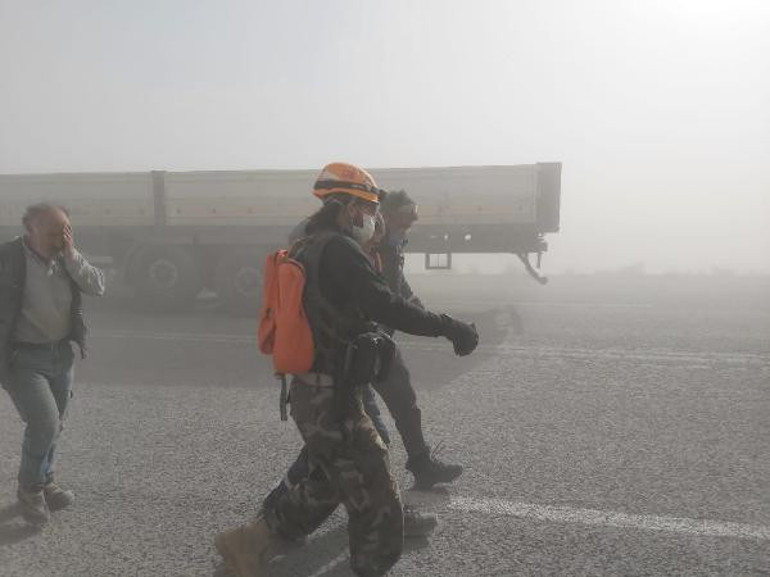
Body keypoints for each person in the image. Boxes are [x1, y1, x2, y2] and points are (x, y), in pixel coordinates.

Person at [214, 163, 478, 577]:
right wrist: (450, 328)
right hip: (329, 397)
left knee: (329, 483)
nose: (372, 217)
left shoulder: (310, 244)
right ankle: (370, 566)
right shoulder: (337, 249)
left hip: (318, 393)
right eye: (369, 208)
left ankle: (248, 542)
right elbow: (384, 304)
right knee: (377, 497)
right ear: (351, 207)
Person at [0, 203, 105, 524]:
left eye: (65, 231)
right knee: (44, 423)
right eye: (52, 233)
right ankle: (29, 490)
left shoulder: (67, 257)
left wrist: (72, 256)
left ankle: (46, 481)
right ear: (30, 229)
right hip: (22, 357)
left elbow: (98, 286)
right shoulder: (8, 258)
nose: (59, 238)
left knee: (55, 424)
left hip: (60, 355)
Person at [373, 189, 464, 488]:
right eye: (401, 225)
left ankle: (422, 465)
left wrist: (426, 314)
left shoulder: (390, 248)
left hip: (378, 341)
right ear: (384, 218)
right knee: (366, 432)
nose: (404, 232)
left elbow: (400, 289)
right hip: (356, 344)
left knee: (404, 400)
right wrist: (440, 326)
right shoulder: (368, 248)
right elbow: (386, 301)